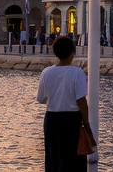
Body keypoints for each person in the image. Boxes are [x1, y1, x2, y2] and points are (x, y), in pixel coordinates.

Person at [37, 36, 93, 172]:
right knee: (73, 159)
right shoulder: (77, 73)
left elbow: (41, 98)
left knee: (53, 157)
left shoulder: (46, 72)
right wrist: (87, 123)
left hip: (51, 118)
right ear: (72, 52)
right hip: (71, 120)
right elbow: (81, 101)